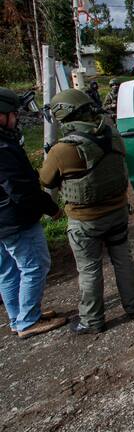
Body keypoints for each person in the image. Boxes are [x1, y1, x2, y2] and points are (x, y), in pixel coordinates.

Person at [39, 89, 134, 335]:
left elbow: (47, 180)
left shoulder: (62, 150)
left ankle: (92, 319)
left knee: (89, 269)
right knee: (123, 259)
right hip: (117, 211)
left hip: (85, 220)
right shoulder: (112, 135)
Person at [0, 88, 67, 338]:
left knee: (8, 269)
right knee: (35, 265)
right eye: (13, 114)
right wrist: (50, 208)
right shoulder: (3, 148)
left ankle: (19, 317)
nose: (16, 118)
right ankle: (27, 321)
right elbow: (20, 189)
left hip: (4, 221)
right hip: (13, 220)